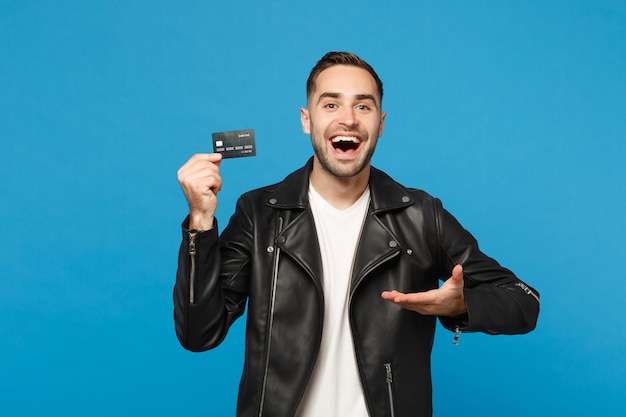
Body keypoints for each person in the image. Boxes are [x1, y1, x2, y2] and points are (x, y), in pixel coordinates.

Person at [174, 51, 540, 417]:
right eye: (330, 104)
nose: (347, 119)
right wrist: (200, 223)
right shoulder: (260, 214)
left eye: (363, 107)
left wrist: (461, 306)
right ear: (307, 120)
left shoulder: (420, 216)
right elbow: (199, 333)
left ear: (380, 123)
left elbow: (525, 302)